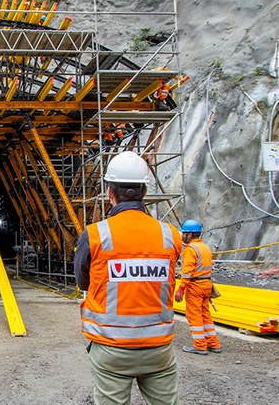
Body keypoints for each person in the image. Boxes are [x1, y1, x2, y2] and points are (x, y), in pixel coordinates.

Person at [74, 151, 182, 405]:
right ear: (144, 191)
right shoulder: (170, 235)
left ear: (109, 192)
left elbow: (83, 281)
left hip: (111, 347)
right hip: (158, 347)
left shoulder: (96, 235)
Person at [174, 219, 221, 355]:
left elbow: (188, 272)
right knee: (205, 314)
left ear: (190, 234)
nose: (183, 237)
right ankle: (213, 343)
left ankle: (200, 345)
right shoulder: (205, 247)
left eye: (184, 234)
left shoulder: (191, 249)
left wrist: (181, 289)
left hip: (195, 286)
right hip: (206, 284)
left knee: (194, 315)